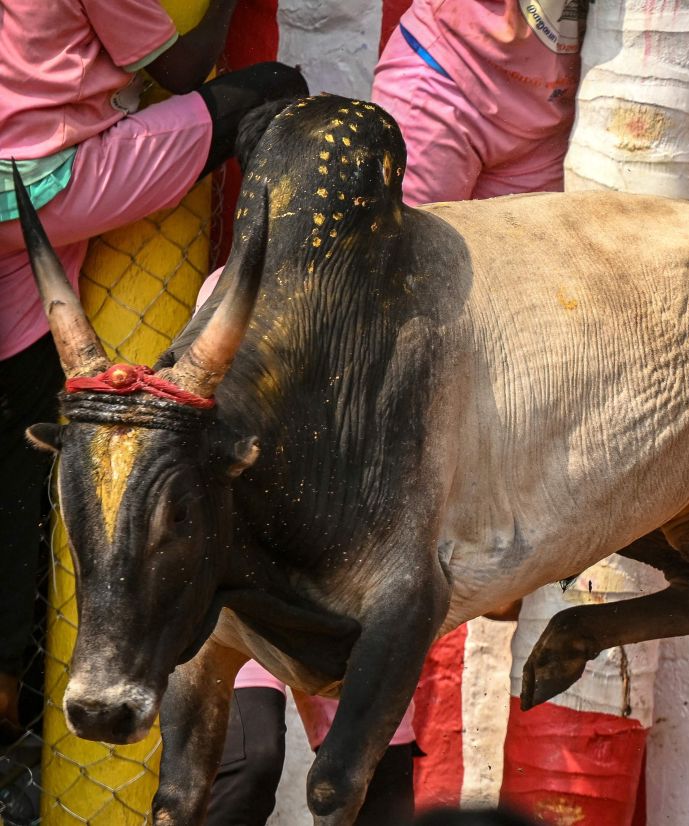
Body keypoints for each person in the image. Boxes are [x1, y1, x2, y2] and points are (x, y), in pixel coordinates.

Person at [204, 2, 584, 819]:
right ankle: (271, 695)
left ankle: (338, 724)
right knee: (333, 325)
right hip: (453, 67)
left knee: (460, 391)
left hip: (565, 98)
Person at [0, 0, 307, 741]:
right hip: (41, 186)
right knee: (271, 87)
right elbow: (179, 67)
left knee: (13, 420)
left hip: (22, 202)